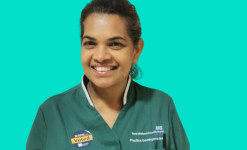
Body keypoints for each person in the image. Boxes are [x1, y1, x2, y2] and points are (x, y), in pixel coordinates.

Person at [26, 0, 190, 149]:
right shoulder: (51, 113)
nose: (100, 56)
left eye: (115, 44)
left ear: (136, 50)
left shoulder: (161, 106)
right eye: (90, 43)